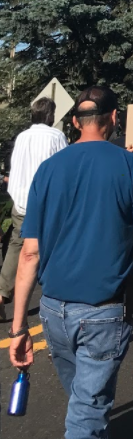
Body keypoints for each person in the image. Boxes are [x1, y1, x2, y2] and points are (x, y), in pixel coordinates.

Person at [9, 86, 133, 439]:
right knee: (86, 416)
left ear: (74, 122)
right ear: (114, 119)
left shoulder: (49, 169)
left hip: (54, 308)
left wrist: (19, 326)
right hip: (104, 308)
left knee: (83, 401)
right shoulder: (130, 166)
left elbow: (29, 254)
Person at [0, 97, 68, 321]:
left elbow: (15, 167)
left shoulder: (22, 137)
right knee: (51, 250)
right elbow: (63, 168)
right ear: (51, 116)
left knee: (17, 246)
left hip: (21, 200)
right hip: (47, 203)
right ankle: (53, 298)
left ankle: (2, 293)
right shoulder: (56, 136)